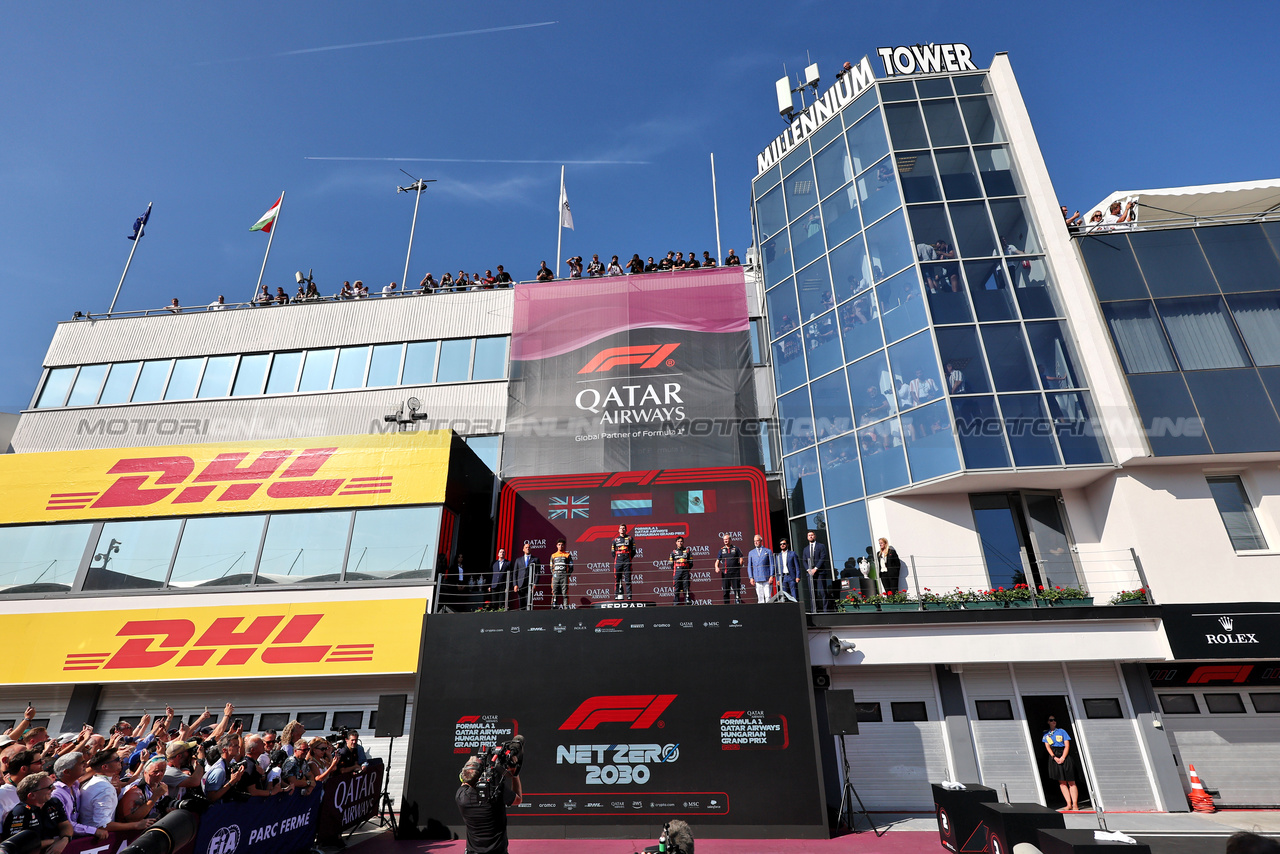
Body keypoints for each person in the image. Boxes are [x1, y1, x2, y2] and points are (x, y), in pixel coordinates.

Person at [456, 754, 521, 854]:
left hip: (472, 851)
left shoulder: (460, 796)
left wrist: (472, 766)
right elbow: (518, 799)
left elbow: (466, 781)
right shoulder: (496, 791)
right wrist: (514, 774)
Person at [80, 749, 152, 835]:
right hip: (94, 841)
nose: (120, 761)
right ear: (105, 767)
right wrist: (136, 825)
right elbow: (103, 825)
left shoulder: (94, 782)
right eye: (117, 759)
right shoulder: (105, 788)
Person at [1, 773, 72, 852]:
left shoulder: (54, 803)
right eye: (49, 787)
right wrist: (54, 842)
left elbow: (65, 824)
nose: (54, 788)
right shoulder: (20, 812)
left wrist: (65, 839)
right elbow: (18, 844)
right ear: (32, 795)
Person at [50, 752, 100, 840]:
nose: (86, 765)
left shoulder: (75, 786)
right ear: (67, 772)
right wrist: (93, 831)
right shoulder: (56, 793)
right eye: (82, 763)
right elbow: (66, 825)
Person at [1042, 716, 1079, 811]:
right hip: (1054, 756)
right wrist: (1054, 757)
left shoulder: (1062, 731)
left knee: (1071, 781)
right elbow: (1047, 747)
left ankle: (1075, 804)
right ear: (1048, 722)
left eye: (1054, 720)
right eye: (1051, 720)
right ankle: (1068, 804)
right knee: (1062, 782)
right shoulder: (1046, 734)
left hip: (1064, 755)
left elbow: (1067, 745)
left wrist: (1063, 757)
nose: (1053, 721)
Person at [200, 734, 245, 803]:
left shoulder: (226, 765)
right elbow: (211, 797)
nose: (238, 747)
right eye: (235, 745)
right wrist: (232, 781)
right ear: (224, 750)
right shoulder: (219, 770)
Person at [803, 530, 831, 612]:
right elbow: (804, 560)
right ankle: (814, 610)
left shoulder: (821, 546)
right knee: (812, 593)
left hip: (820, 572)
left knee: (822, 592)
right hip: (810, 574)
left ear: (815, 536)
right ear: (807, 537)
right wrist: (808, 569)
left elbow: (823, 557)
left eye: (812, 535)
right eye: (809, 535)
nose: (810, 536)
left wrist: (816, 568)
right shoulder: (805, 549)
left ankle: (825, 610)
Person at [715, 534, 745, 605]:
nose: (725, 541)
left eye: (727, 539)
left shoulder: (736, 548)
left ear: (730, 540)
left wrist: (739, 565)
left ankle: (738, 604)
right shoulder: (721, 550)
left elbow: (741, 557)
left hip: (735, 573)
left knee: (737, 590)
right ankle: (726, 606)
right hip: (725, 573)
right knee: (726, 591)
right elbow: (717, 561)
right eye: (724, 539)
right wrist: (716, 567)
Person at [747, 534, 775, 604]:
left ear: (761, 541)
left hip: (767, 578)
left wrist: (771, 576)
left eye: (757, 541)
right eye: (754, 541)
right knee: (760, 597)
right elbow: (749, 566)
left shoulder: (768, 551)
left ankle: (769, 611)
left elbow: (772, 564)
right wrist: (751, 577)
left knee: (768, 596)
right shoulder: (751, 553)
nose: (756, 543)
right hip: (757, 578)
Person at [611, 525, 635, 600]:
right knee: (617, 579)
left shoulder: (630, 538)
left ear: (626, 530)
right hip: (618, 560)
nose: (622, 530)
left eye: (623, 528)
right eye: (621, 528)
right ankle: (616, 595)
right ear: (618, 530)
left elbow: (634, 550)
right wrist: (618, 557)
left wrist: (628, 557)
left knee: (628, 579)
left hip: (627, 559)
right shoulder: (615, 540)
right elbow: (612, 552)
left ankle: (629, 596)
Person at [513, 542, 538, 611]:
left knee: (529, 603)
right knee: (521, 604)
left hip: (530, 585)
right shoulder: (518, 560)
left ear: (531, 549)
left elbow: (538, 573)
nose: (528, 549)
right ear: (523, 549)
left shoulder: (535, 559)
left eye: (529, 547)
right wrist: (515, 584)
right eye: (526, 547)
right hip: (520, 585)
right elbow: (515, 573)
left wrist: (535, 584)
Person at [549, 539, 572, 610]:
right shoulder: (553, 555)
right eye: (559, 544)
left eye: (562, 545)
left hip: (564, 575)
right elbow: (551, 566)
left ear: (564, 546)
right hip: (556, 575)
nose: (560, 546)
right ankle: (554, 606)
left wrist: (567, 575)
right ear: (556, 546)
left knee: (565, 592)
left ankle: (566, 607)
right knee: (554, 591)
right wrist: (554, 574)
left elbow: (571, 566)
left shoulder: (567, 555)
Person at [670, 537, 693, 605]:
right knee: (676, 587)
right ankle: (676, 602)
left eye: (681, 541)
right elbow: (671, 564)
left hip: (685, 570)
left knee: (686, 586)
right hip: (677, 571)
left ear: (683, 542)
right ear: (676, 542)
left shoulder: (687, 551)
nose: (680, 543)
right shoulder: (673, 552)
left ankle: (687, 601)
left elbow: (691, 563)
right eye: (678, 541)